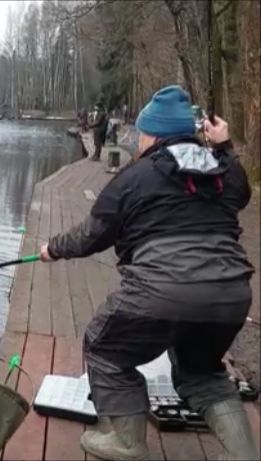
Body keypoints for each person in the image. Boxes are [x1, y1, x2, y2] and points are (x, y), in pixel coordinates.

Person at [39, 85, 256, 461]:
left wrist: (52, 248)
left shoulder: (135, 176)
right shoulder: (222, 170)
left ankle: (126, 442)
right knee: (203, 373)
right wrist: (225, 146)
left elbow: (94, 233)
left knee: (104, 347)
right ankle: (244, 455)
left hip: (160, 291)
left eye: (141, 132)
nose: (138, 139)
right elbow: (242, 192)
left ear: (153, 134)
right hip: (231, 295)